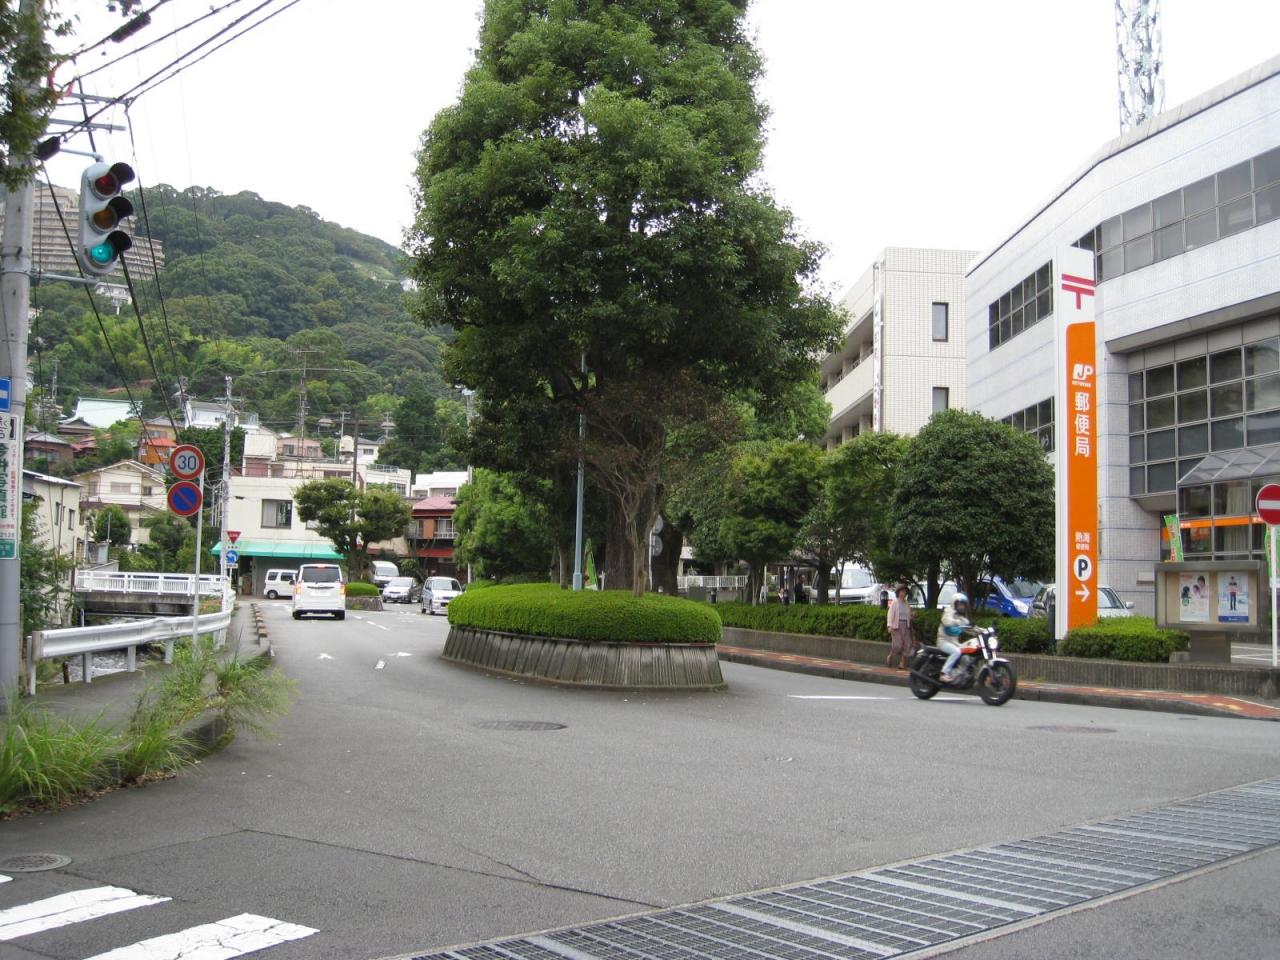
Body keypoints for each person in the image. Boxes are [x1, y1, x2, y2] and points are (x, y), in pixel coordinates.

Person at [936, 591, 971, 683]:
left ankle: (959, 673)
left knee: (966, 652)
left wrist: (981, 631)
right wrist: (957, 622)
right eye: (960, 604)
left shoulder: (959, 616)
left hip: (953, 642)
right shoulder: (948, 611)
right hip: (943, 641)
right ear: (954, 603)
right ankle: (943, 673)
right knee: (956, 652)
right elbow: (946, 621)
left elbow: (967, 626)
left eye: (963, 605)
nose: (962, 607)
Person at [886, 585, 913, 669]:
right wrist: (889, 625)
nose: (904, 593)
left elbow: (909, 615)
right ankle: (891, 656)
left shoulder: (906, 603)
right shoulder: (895, 603)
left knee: (907, 645)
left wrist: (912, 615)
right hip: (896, 626)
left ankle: (902, 663)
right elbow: (890, 614)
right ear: (898, 593)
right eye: (902, 591)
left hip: (906, 626)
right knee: (898, 645)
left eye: (905, 591)